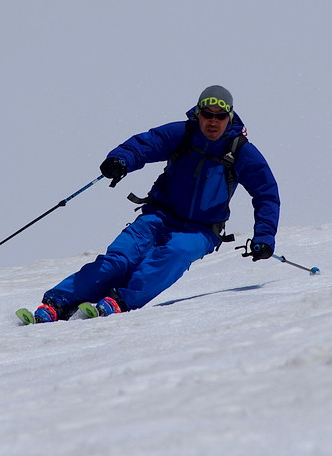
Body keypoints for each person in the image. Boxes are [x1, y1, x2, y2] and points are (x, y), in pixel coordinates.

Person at [31, 85, 280, 323]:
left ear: (230, 117)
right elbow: (145, 144)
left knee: (174, 254)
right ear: (198, 113)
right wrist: (120, 160)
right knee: (118, 260)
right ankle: (57, 302)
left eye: (220, 116)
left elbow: (265, 193)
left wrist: (264, 237)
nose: (213, 121)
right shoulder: (183, 135)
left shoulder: (241, 151)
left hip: (201, 229)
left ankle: (121, 300)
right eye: (207, 114)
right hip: (159, 216)